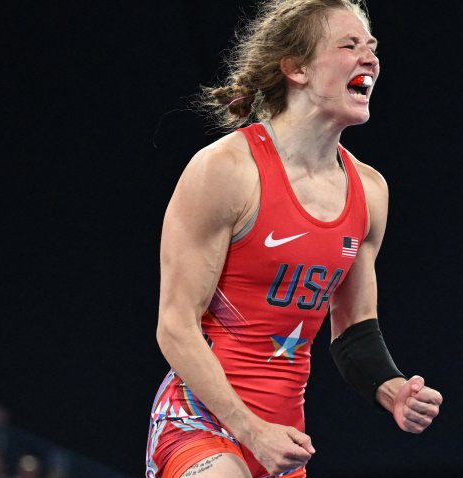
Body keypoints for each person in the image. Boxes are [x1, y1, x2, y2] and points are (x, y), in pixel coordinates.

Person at [144, 1, 443, 477]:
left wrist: (391, 388)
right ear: (295, 68)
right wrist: (250, 430)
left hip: (283, 441)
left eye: (372, 47)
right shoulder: (224, 170)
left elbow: (354, 331)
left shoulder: (369, 192)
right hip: (201, 424)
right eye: (350, 45)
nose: (370, 57)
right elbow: (175, 325)